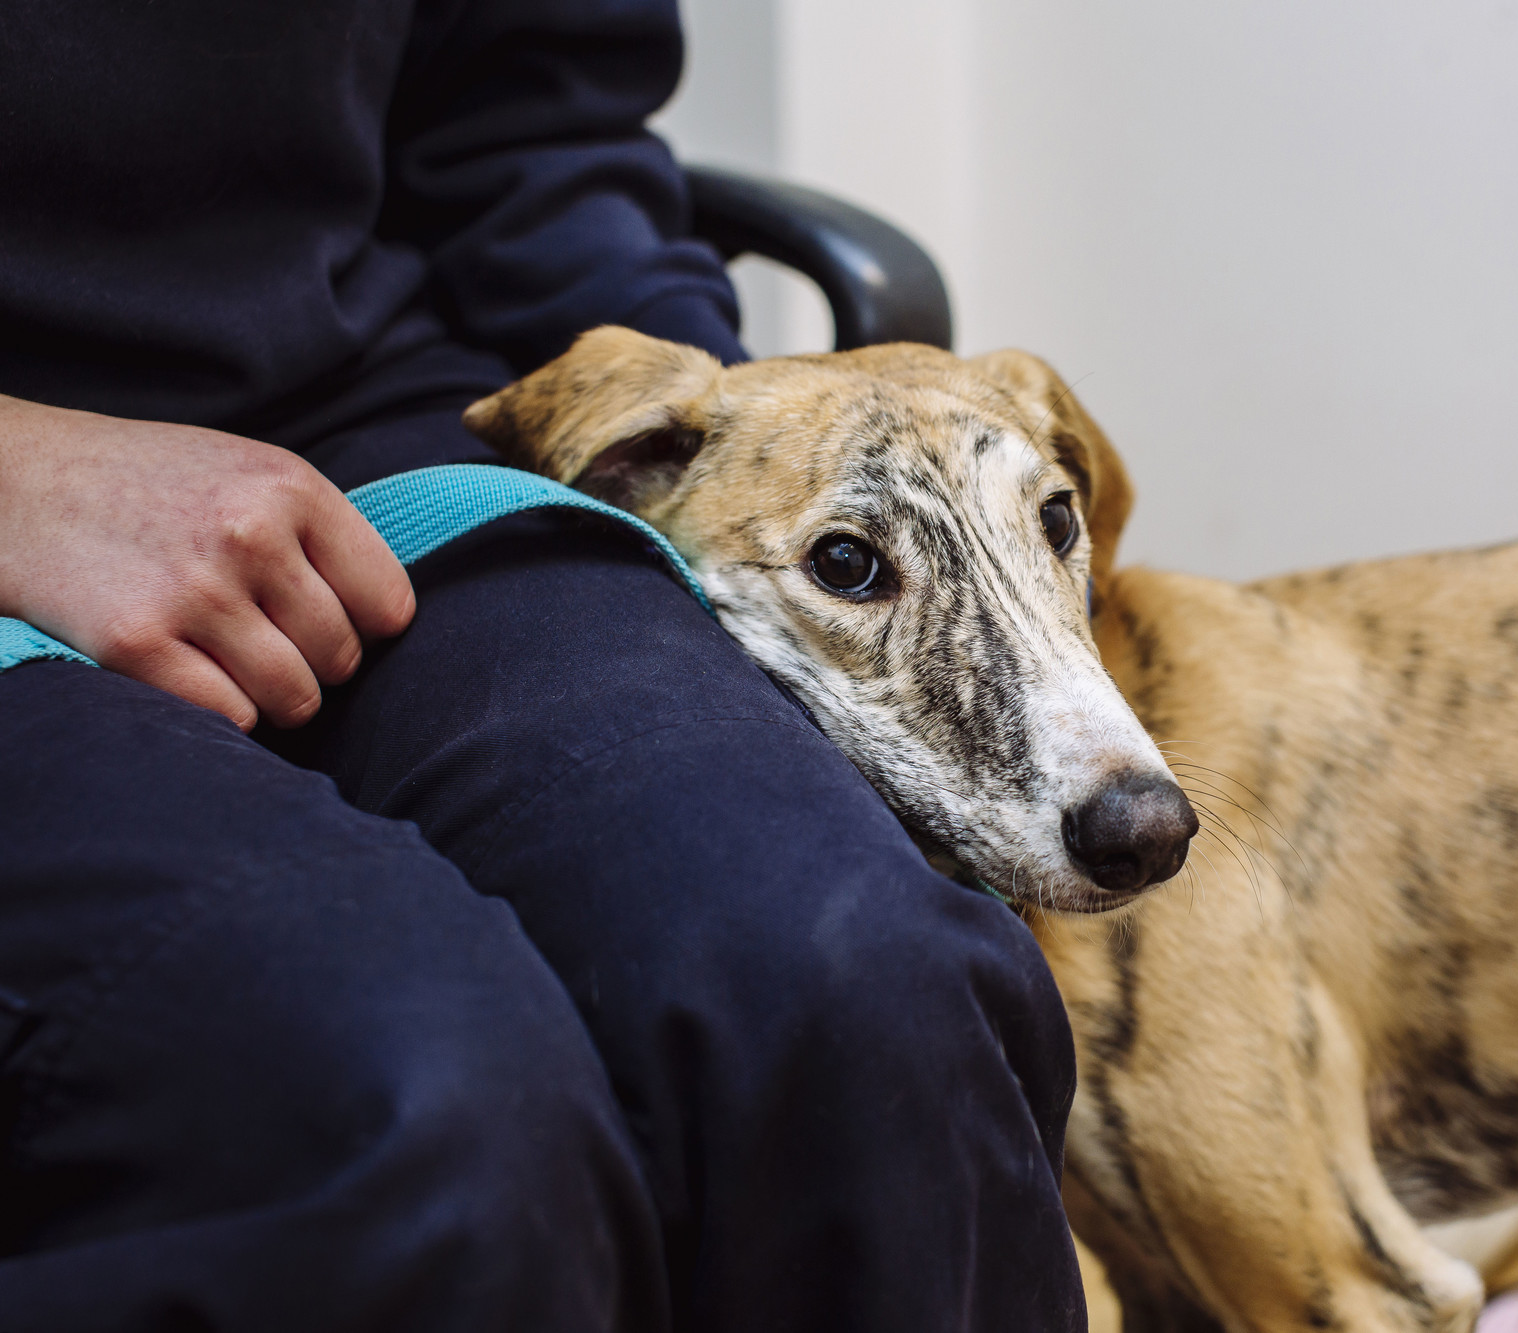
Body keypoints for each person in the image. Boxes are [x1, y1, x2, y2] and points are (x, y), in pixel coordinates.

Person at [0, 2, 1085, 1329]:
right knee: (420, 1106)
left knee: (856, 982)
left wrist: (737, 427)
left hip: (364, 428)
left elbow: (532, 115)